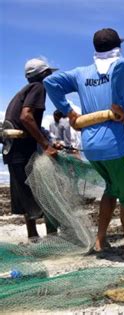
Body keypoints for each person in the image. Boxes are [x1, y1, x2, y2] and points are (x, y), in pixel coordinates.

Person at [44, 28, 124, 259]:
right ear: (118, 47)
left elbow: (50, 82)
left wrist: (69, 111)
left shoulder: (81, 73)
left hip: (91, 147)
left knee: (111, 189)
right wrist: (117, 103)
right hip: (116, 145)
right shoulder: (120, 65)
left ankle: (100, 240)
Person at [2, 58, 59, 239]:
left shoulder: (22, 92)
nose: (50, 78)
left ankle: (33, 237)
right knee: (44, 192)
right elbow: (26, 117)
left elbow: (26, 123)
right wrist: (45, 146)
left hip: (12, 152)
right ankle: (52, 237)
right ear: (43, 75)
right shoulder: (38, 88)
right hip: (21, 152)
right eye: (49, 74)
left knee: (25, 196)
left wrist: (48, 140)